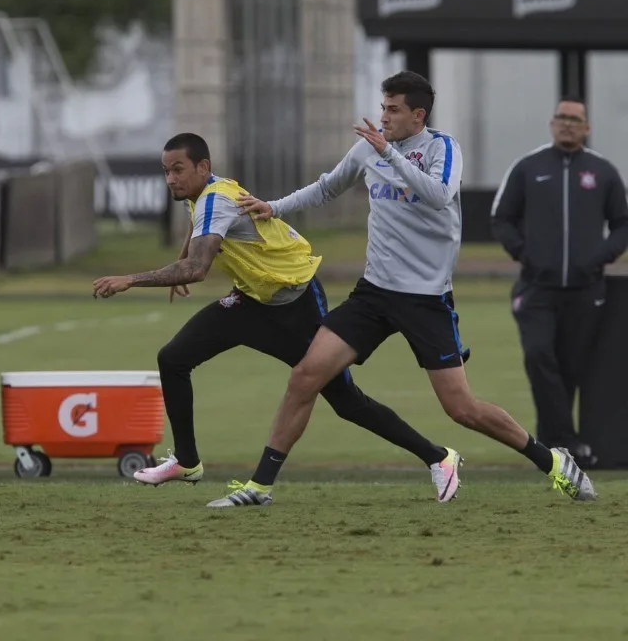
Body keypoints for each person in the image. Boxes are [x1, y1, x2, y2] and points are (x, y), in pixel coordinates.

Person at [234, 70, 596, 506]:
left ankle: (553, 462)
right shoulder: (370, 148)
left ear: (417, 114)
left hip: (425, 300)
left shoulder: (443, 148)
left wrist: (390, 154)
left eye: (393, 109)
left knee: (462, 410)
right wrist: (272, 207)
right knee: (305, 376)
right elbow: (327, 188)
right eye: (382, 107)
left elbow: (439, 196)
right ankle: (259, 487)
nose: (383, 116)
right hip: (373, 293)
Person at [92, 132, 463, 508]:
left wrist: (131, 279)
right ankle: (187, 462)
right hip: (251, 300)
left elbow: (197, 269)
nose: (171, 178)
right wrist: (183, 252)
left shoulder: (216, 200)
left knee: (346, 401)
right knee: (173, 358)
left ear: (203, 167)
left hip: (296, 302)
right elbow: (197, 226)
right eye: (165, 171)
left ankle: (438, 457)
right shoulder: (206, 192)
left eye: (178, 170)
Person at [490, 97, 628, 468]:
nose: (567, 124)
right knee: (539, 356)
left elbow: (623, 223)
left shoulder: (602, 172)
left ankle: (555, 449)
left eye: (575, 119)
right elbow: (502, 218)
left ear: (586, 128)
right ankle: (563, 441)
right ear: (552, 124)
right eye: (561, 117)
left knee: (571, 367)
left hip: (587, 290)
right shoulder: (529, 168)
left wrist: (601, 256)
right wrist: (525, 253)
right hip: (537, 288)